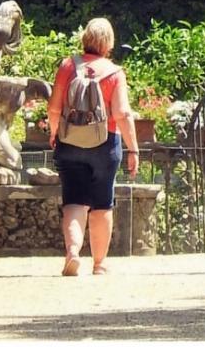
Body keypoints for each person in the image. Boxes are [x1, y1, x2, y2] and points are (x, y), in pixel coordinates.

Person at [47, 16, 140, 276]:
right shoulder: (114, 73)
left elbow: (54, 108)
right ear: (109, 43)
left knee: (74, 200)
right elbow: (122, 113)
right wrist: (133, 149)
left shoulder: (67, 66)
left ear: (85, 38)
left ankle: (73, 253)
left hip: (69, 142)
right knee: (102, 203)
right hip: (105, 144)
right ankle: (99, 264)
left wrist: (55, 133)